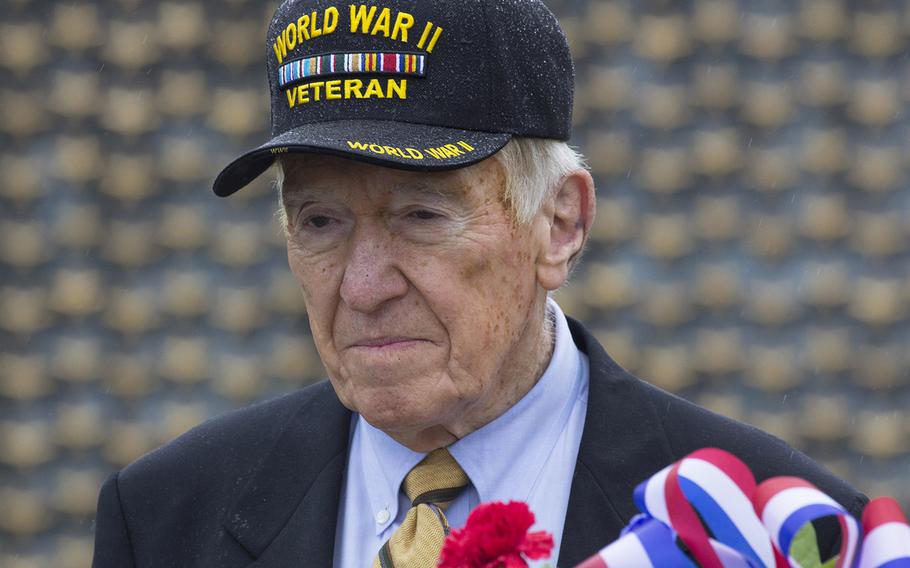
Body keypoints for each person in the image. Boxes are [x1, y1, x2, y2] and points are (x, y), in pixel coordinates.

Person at [92, 0, 866, 566]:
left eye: (421, 216)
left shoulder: (776, 528)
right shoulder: (164, 520)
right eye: (320, 222)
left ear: (560, 225)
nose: (361, 289)